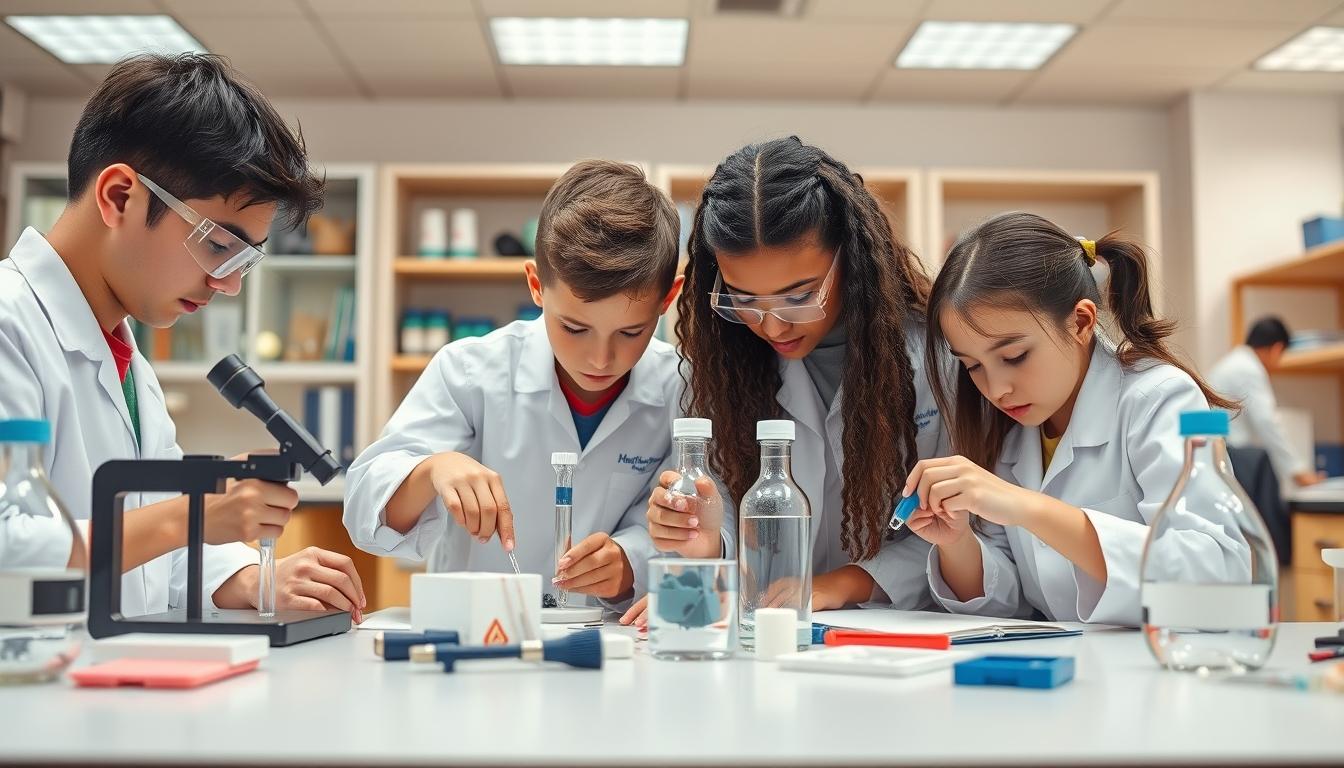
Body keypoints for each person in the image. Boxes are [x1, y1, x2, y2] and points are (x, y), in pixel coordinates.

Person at [0, 53, 366, 620]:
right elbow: (9, 547)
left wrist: (252, 577)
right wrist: (192, 512)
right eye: (219, 245)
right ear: (120, 197)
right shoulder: (9, 322)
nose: (228, 285)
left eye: (245, 260)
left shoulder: (126, 361)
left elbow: (153, 554)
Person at [624, 136, 950, 628]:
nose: (773, 327)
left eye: (798, 297)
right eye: (745, 299)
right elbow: (725, 515)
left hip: (891, 628)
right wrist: (706, 545)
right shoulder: (715, 371)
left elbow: (960, 527)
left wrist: (841, 584)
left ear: (850, 259)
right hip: (767, 631)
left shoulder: (933, 357)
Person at [345, 160, 682, 609]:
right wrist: (432, 470)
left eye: (630, 333)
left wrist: (631, 561)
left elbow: (707, 529)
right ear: (536, 286)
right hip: (477, 637)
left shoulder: (681, 388)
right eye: (575, 328)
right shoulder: (468, 371)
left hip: (608, 645)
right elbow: (366, 512)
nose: (601, 359)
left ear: (668, 299)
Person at [907, 212, 1244, 624]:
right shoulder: (1014, 433)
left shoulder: (1158, 398)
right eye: (973, 366)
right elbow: (1008, 606)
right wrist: (956, 542)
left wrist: (1027, 508)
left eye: (1014, 356)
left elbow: (1220, 578)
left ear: (1081, 322)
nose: (996, 390)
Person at [1209, 316, 1324, 488]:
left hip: (1218, 454)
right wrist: (1298, 472)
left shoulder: (1232, 363)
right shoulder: (1249, 369)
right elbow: (1268, 423)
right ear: (1277, 349)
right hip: (1233, 456)